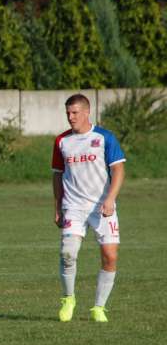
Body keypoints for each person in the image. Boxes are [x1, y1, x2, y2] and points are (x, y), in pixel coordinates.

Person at [52, 93, 125, 323]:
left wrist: (110, 199)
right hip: (73, 206)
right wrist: (57, 206)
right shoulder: (61, 141)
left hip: (102, 206)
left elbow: (119, 171)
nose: (70, 117)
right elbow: (57, 176)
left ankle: (98, 307)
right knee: (68, 253)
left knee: (110, 256)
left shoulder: (104, 137)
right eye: (67, 113)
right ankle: (68, 298)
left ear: (86, 112)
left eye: (74, 113)